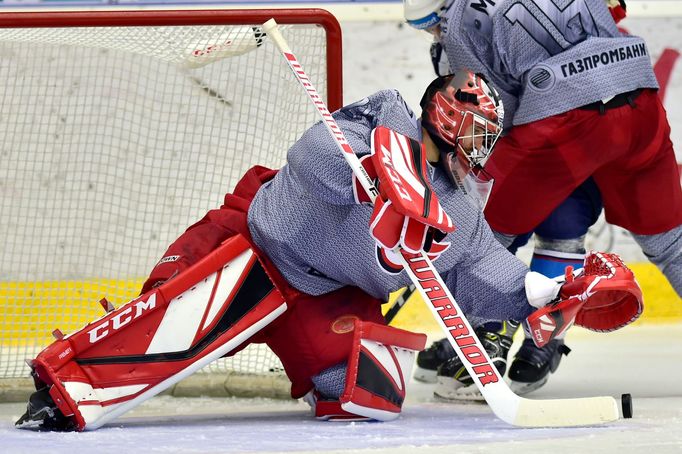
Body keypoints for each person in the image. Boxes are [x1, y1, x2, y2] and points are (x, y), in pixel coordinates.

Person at [15, 72, 641, 431]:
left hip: (322, 296)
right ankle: (62, 385)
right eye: (478, 130)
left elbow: (486, 278)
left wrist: (551, 293)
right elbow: (309, 161)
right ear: (446, 119)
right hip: (252, 250)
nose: (484, 146)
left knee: (366, 393)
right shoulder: (362, 130)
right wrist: (381, 172)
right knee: (166, 327)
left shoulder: (458, 206)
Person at [404, 0, 682, 399]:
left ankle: (483, 342)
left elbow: (487, 112)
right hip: (639, 96)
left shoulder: (460, 22)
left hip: (567, 116)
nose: (435, 34)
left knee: (482, 232)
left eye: (431, 25)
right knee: (668, 240)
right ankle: (542, 340)